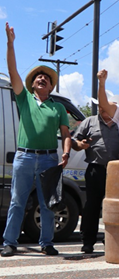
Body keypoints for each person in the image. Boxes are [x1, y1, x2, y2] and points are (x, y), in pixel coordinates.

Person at [1, 23, 71, 257]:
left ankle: (46, 243)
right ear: (32, 84)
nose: (42, 79)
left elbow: (67, 133)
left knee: (48, 203)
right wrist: (11, 44)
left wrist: (66, 151)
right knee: (17, 202)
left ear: (50, 86)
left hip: (50, 158)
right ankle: (10, 242)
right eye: (38, 77)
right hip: (24, 157)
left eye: (46, 78)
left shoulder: (58, 107)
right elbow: (12, 73)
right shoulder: (24, 99)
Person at [71, 97, 119, 254]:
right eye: (100, 106)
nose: (102, 108)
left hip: (118, 171)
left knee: (115, 208)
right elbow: (74, 141)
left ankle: (112, 241)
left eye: (106, 106)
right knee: (92, 206)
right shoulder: (89, 121)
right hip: (95, 169)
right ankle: (87, 242)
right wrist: (80, 145)